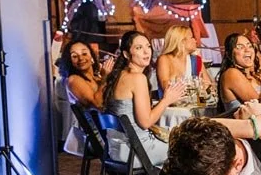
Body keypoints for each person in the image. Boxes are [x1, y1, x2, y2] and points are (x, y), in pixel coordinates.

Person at [103, 30, 186, 166]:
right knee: (189, 149)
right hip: (137, 150)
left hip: (116, 149)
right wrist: (166, 100)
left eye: (148, 46)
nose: (147, 52)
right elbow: (145, 122)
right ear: (126, 54)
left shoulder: (119, 75)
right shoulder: (137, 78)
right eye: (139, 48)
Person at [156, 25, 211, 97]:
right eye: (191, 37)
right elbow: (165, 86)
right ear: (182, 42)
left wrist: (205, 95)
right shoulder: (164, 59)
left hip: (194, 104)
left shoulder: (197, 60)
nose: (195, 40)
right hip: (172, 105)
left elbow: (208, 86)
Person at [59, 37, 110, 110]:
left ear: (91, 56)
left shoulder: (98, 77)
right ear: (69, 61)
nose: (81, 58)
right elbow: (98, 104)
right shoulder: (73, 79)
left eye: (84, 53)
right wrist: (105, 77)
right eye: (75, 56)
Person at [218, 32, 261, 109]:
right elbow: (260, 106)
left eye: (250, 46)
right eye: (240, 47)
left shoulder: (255, 76)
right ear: (230, 53)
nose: (247, 50)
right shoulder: (231, 73)